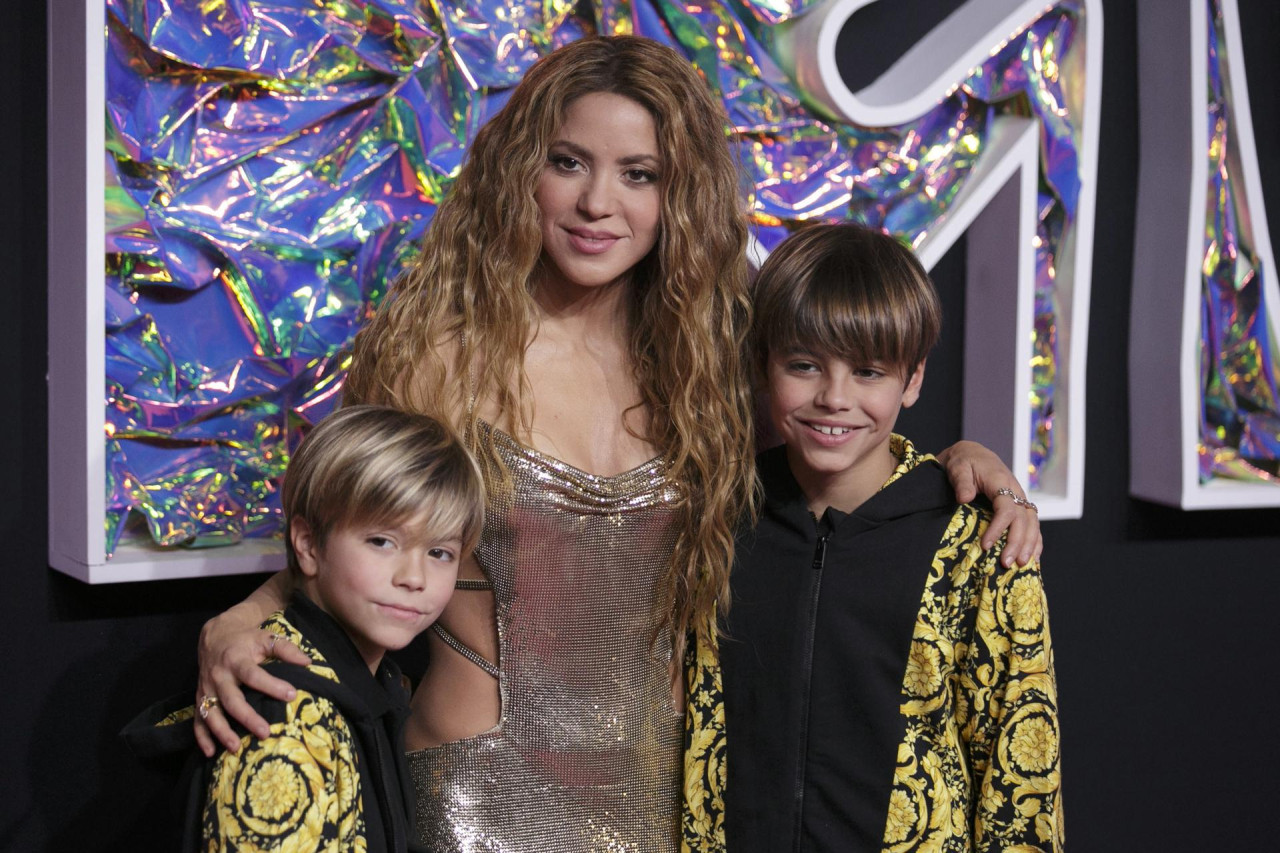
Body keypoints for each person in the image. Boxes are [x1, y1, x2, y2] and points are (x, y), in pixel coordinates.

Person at [190, 36, 1044, 853]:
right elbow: (350, 538)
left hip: (673, 793)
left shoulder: (717, 359)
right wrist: (242, 615)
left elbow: (840, 428)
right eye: (569, 162)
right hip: (479, 790)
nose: (600, 203)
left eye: (640, 175)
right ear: (522, 166)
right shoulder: (434, 355)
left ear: (680, 195)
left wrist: (961, 465)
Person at [721, 223, 1061, 852]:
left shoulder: (977, 544)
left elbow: (1022, 779)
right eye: (803, 366)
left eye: (869, 372)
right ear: (762, 362)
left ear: (911, 380)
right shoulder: (718, 524)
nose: (834, 398)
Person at [124, 405, 486, 852]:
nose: (414, 577)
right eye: (382, 542)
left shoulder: (379, 681)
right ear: (308, 545)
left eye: (440, 553)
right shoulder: (283, 715)